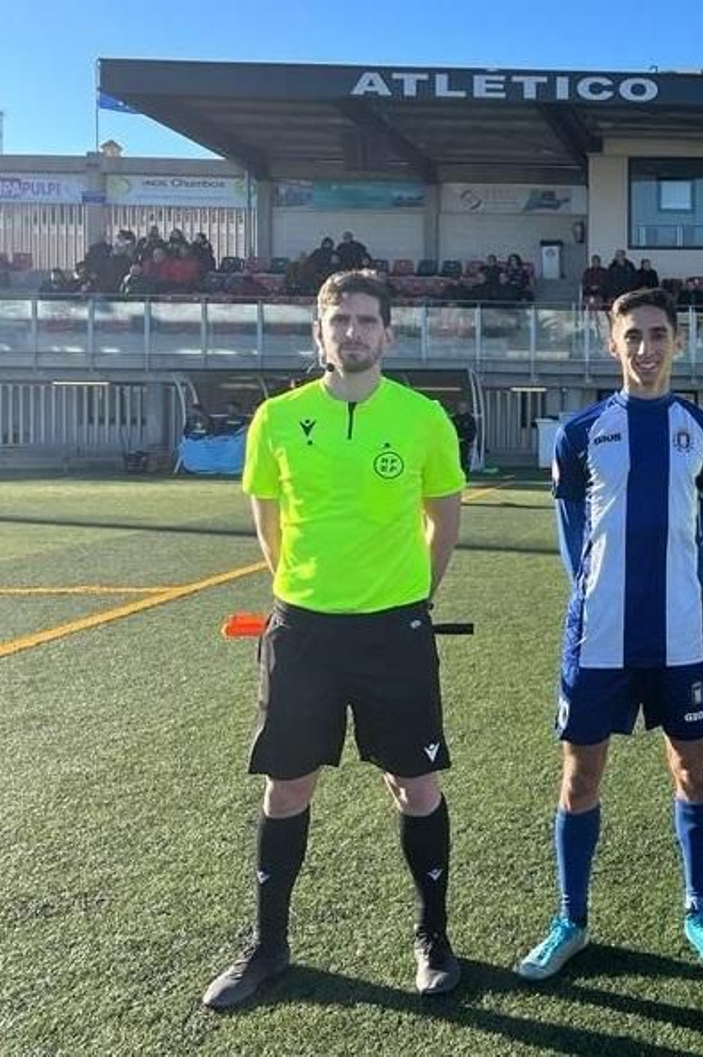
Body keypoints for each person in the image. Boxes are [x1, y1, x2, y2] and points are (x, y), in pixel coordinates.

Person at [200, 269, 467, 1009]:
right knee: (287, 787)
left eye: (365, 320)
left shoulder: (422, 419)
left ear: (388, 332)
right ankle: (268, 945)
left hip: (396, 629)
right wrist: (302, 591)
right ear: (319, 332)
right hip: (305, 629)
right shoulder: (277, 419)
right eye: (339, 319)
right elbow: (269, 518)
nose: (352, 332)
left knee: (414, 785)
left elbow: (443, 520)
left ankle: (433, 936)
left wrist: (412, 596)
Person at [517, 287, 703, 981]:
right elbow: (570, 539)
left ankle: (700, 907)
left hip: (679, 634)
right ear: (612, 344)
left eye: (657, 334)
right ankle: (570, 918)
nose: (645, 348)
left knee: (692, 769)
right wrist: (599, 595)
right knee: (580, 778)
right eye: (632, 336)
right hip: (598, 635)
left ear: (677, 341)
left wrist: (684, 591)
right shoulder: (579, 433)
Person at [450, 401, 478, 475]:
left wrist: (464, 439)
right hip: (453, 443)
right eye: (460, 407)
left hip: (465, 443)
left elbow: (473, 431)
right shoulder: (453, 418)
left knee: (463, 459)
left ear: (466, 408)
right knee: (453, 459)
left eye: (463, 407)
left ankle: (463, 474)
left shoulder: (470, 419)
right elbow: (449, 430)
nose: (461, 409)